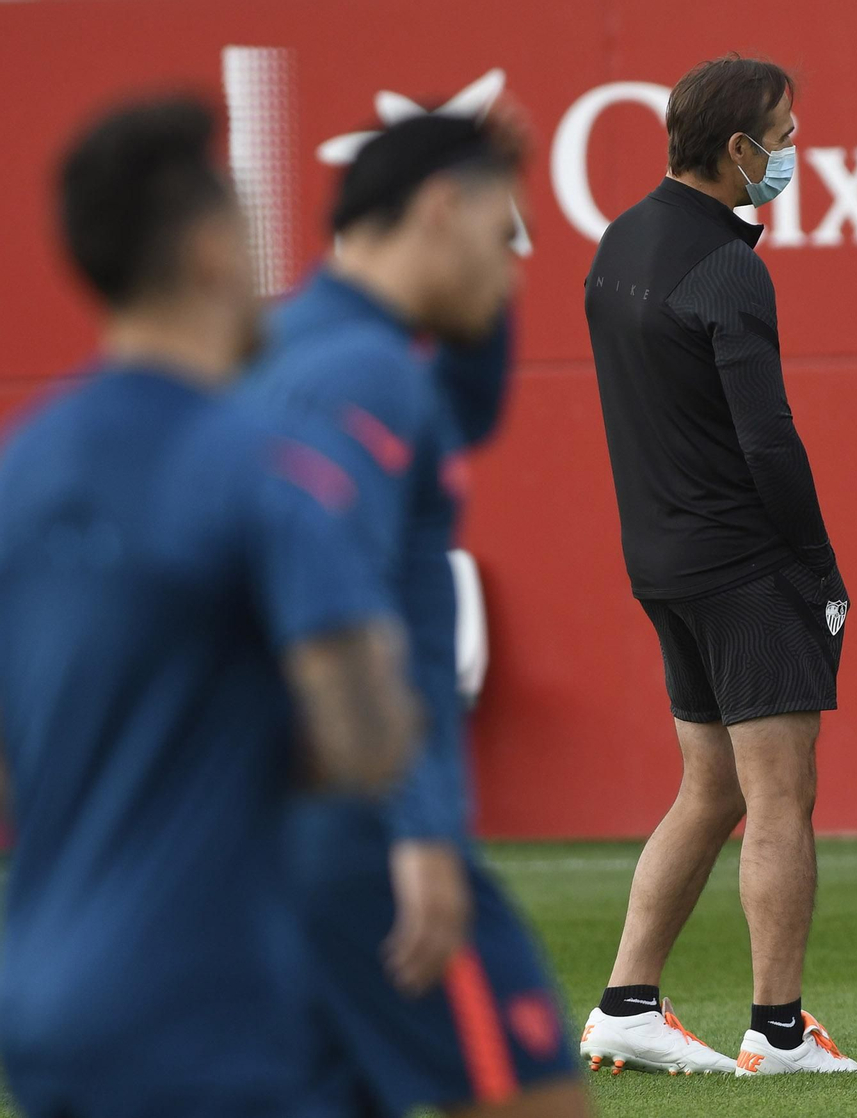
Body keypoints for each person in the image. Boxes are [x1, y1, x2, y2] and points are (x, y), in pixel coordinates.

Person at [0, 97, 417, 1118]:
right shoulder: (266, 467)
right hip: (212, 1005)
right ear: (208, 251)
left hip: (41, 1006)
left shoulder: (20, 468)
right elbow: (365, 742)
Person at [245, 109, 590, 1118]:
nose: (513, 271)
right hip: (364, 832)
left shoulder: (312, 349)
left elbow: (467, 409)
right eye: (500, 232)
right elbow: (329, 608)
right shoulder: (362, 373)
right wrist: (419, 829)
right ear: (439, 209)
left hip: (286, 834)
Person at [579, 54, 857, 1077]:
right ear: (737, 148)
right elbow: (768, 442)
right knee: (779, 795)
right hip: (744, 565)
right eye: (782, 137)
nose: (792, 151)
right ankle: (778, 1030)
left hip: (661, 562)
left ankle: (626, 1005)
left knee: (710, 789)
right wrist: (819, 565)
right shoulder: (731, 268)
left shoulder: (618, 241)